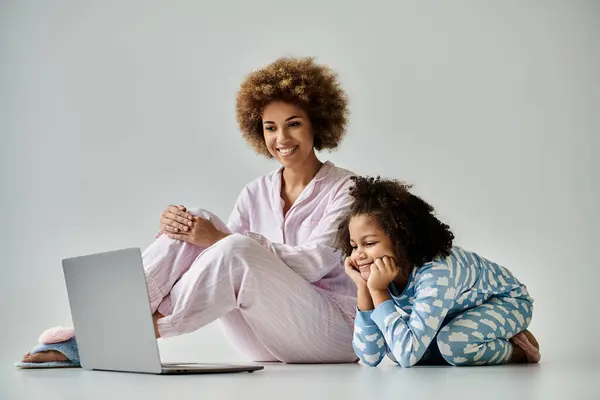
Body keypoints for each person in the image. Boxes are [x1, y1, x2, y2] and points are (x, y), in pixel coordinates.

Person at [19, 57, 359, 366]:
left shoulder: (347, 188)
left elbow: (315, 264)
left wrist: (222, 238)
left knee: (233, 246)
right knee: (198, 219)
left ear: (317, 123)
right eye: (270, 127)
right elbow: (213, 254)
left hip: (331, 333)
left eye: (293, 124)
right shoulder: (255, 192)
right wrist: (181, 227)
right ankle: (101, 322)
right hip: (262, 340)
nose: (281, 137)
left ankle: (110, 337)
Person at [336, 176, 541, 367]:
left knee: (453, 345)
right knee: (394, 345)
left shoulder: (436, 273)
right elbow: (370, 356)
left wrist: (379, 293)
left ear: (402, 239)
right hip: (451, 315)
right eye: (354, 246)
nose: (358, 255)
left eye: (369, 243)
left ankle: (519, 350)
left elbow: (407, 356)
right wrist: (364, 288)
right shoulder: (383, 274)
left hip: (507, 302)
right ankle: (460, 342)